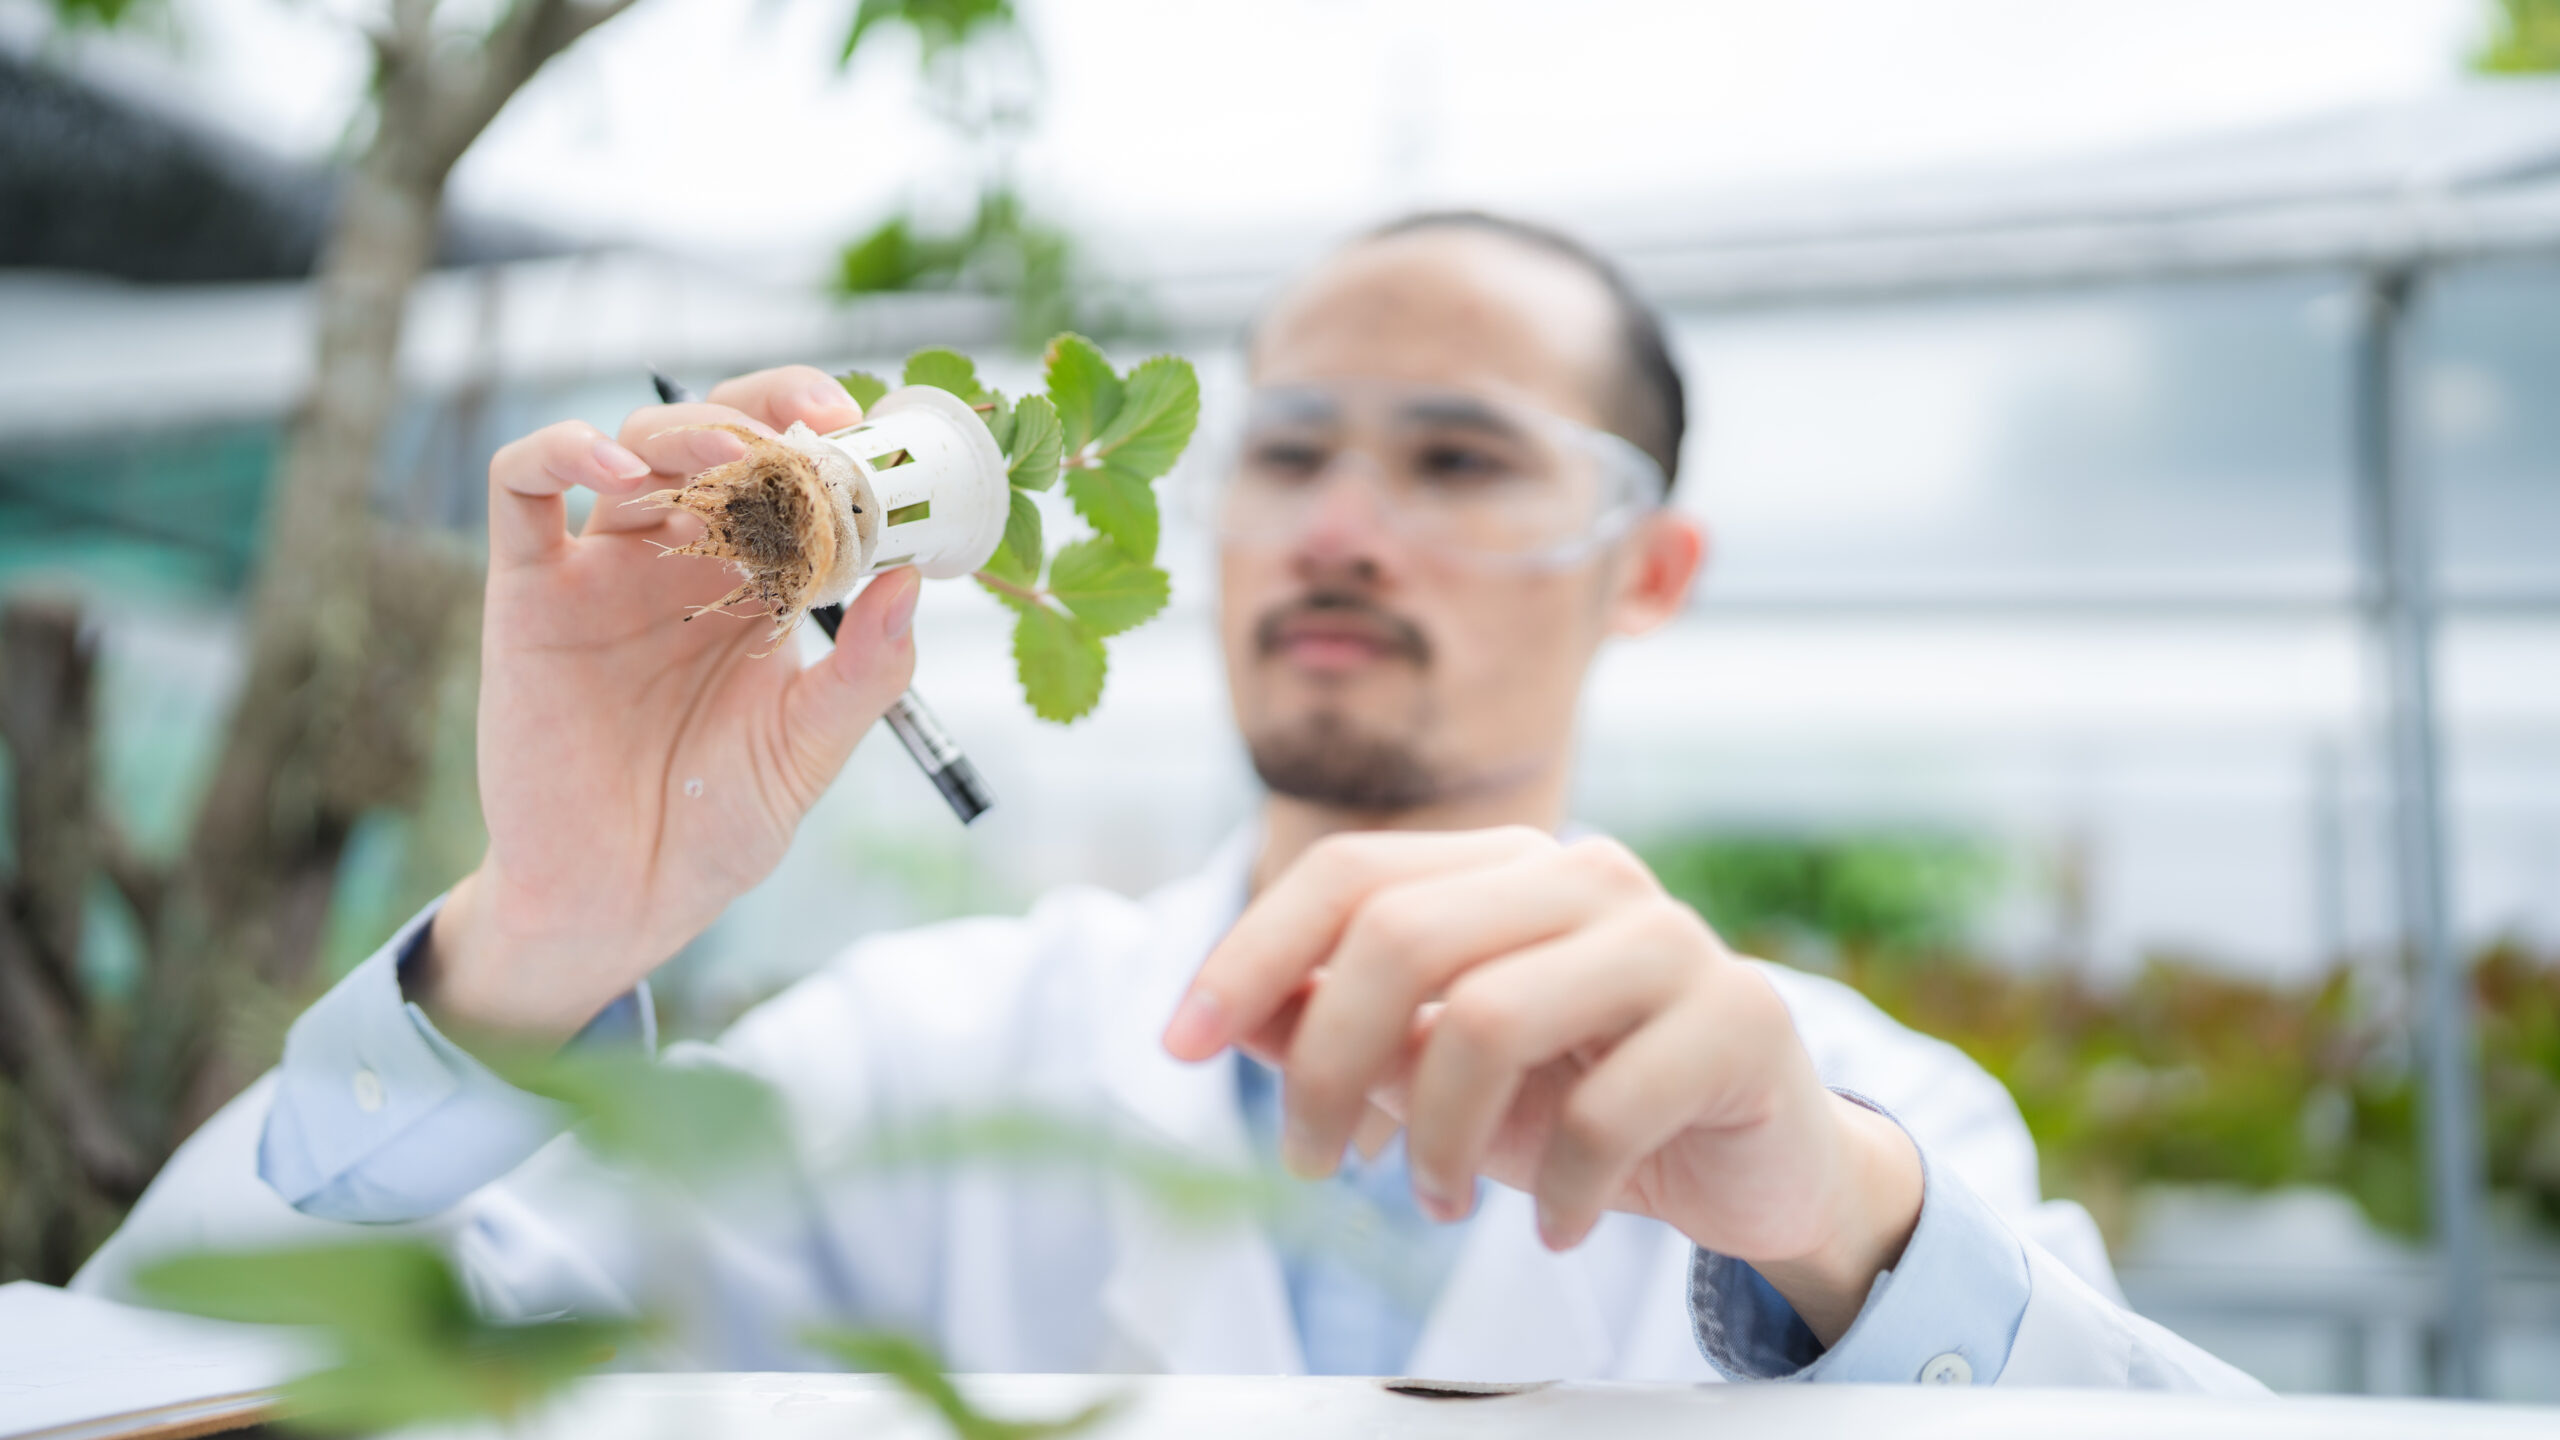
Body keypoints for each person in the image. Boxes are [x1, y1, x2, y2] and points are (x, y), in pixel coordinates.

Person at [81, 212, 2259, 1392]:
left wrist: (1831, 1242)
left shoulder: (1853, 1122)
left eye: (1461, 458)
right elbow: (175, 1386)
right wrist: (548, 927)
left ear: (1650, 570)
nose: (1339, 525)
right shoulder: (909, 1068)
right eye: (1291, 452)